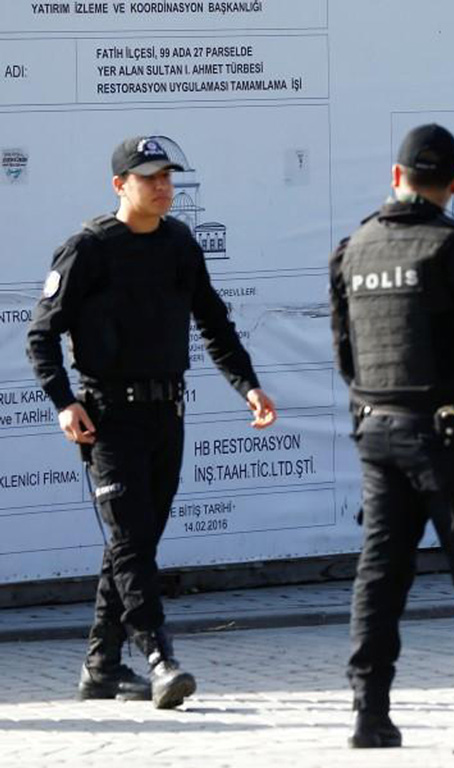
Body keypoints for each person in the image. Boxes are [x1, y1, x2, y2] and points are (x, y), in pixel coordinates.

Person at [25, 135, 278, 709]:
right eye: (149, 177)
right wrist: (65, 401)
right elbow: (41, 334)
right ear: (121, 185)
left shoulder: (180, 244)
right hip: (108, 418)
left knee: (133, 543)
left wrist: (248, 386)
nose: (163, 187)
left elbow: (214, 321)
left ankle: (101, 667)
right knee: (132, 544)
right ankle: (160, 657)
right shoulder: (88, 249)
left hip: (168, 414)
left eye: (168, 176)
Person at [329, 124, 454, 749]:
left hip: (378, 432)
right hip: (451, 437)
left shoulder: (353, 248)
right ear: (452, 185)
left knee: (380, 575)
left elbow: (347, 359)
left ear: (396, 177)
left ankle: (369, 713)